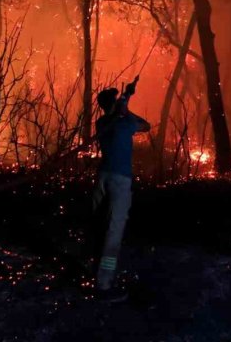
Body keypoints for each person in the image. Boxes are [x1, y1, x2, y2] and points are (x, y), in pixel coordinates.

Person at [91, 76, 150, 302]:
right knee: (113, 231)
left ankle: (95, 272)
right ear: (114, 105)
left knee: (98, 223)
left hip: (102, 178)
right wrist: (126, 103)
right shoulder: (125, 123)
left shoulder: (102, 123)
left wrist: (124, 100)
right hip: (119, 181)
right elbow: (146, 126)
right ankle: (104, 286)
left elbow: (116, 115)